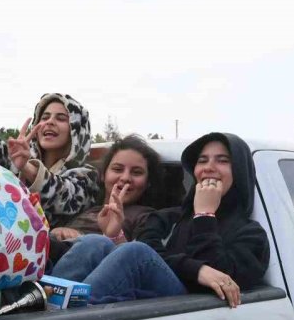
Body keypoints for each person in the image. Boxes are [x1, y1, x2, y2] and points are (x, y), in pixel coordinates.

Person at [50, 132, 270, 307]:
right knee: (94, 242)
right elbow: (151, 254)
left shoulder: (251, 234)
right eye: (202, 160)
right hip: (149, 303)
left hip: (190, 312)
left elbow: (222, 280)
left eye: (222, 161)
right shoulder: (168, 217)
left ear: (239, 171)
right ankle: (44, 302)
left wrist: (204, 216)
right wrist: (197, 269)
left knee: (136, 252)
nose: (209, 167)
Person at [0, 34, 98, 226]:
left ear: (77, 132)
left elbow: (64, 198)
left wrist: (27, 167)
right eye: (44, 117)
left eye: (61, 118)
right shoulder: (17, 157)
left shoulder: (86, 175)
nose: (49, 122)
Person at [50, 134, 163, 243]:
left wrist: (114, 236)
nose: (125, 178)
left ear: (148, 182)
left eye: (136, 172)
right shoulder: (85, 207)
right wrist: (57, 233)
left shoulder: (148, 218)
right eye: (118, 169)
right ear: (103, 175)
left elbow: (139, 258)